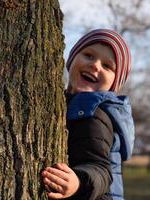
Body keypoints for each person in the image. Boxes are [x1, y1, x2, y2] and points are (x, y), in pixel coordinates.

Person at [41, 29, 135, 200]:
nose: (95, 65)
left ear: (114, 84)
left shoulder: (94, 114)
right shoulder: (66, 102)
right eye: (89, 55)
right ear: (72, 59)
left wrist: (78, 182)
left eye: (107, 66)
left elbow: (102, 170)